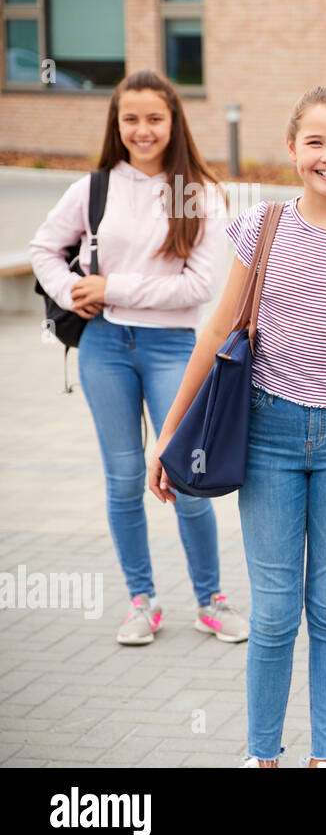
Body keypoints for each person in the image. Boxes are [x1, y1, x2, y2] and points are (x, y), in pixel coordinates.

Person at [147, 87, 326, 767]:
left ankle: (325, 757)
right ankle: (261, 755)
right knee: (273, 614)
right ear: (293, 149)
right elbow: (217, 329)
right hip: (266, 434)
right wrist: (168, 433)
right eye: (315, 142)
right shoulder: (262, 225)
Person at [29, 70, 246, 647]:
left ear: (174, 121)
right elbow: (43, 248)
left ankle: (210, 600)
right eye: (131, 119)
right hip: (104, 348)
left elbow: (198, 288)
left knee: (182, 472)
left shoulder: (199, 192)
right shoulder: (95, 187)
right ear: (117, 124)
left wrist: (110, 288)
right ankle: (141, 601)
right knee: (124, 479)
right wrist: (72, 292)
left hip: (174, 345)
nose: (142, 129)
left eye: (154, 118)